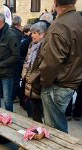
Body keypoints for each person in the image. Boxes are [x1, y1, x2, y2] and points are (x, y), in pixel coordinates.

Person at [39, 0, 82, 133]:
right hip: (71, 81)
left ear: (55, 2)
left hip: (57, 85)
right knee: (58, 125)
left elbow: (50, 63)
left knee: (54, 131)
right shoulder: (78, 20)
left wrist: (45, 83)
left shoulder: (59, 25)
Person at [0, 12, 20, 112]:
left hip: (6, 74)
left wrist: (2, 64)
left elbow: (16, 56)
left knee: (7, 100)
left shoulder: (11, 35)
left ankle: (8, 120)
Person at [22, 22, 48, 123]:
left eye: (34, 33)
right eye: (31, 33)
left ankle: (41, 131)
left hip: (39, 81)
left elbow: (43, 66)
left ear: (42, 34)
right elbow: (27, 60)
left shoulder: (45, 46)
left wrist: (32, 76)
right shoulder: (31, 44)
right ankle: (36, 129)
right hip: (30, 80)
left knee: (40, 108)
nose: (32, 35)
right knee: (34, 107)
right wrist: (24, 73)